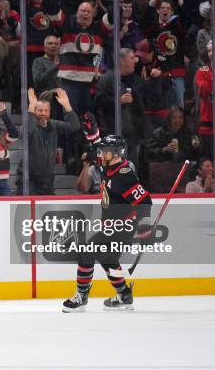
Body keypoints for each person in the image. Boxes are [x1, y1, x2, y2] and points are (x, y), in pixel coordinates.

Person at [63, 135, 152, 313]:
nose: (101, 155)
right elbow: (94, 152)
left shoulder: (123, 175)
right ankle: (124, 295)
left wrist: (144, 226)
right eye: (101, 152)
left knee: (86, 251)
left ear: (117, 154)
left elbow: (144, 201)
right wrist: (94, 136)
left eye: (106, 152)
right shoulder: (108, 165)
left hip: (122, 227)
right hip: (112, 226)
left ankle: (82, 296)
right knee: (108, 259)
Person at [16, 88, 80, 195]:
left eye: (46, 111)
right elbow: (25, 134)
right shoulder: (31, 125)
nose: (43, 113)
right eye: (40, 110)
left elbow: (74, 126)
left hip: (47, 181)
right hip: (28, 180)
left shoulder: (54, 125)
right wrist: (31, 106)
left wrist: (67, 106)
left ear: (50, 112)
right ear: (35, 111)